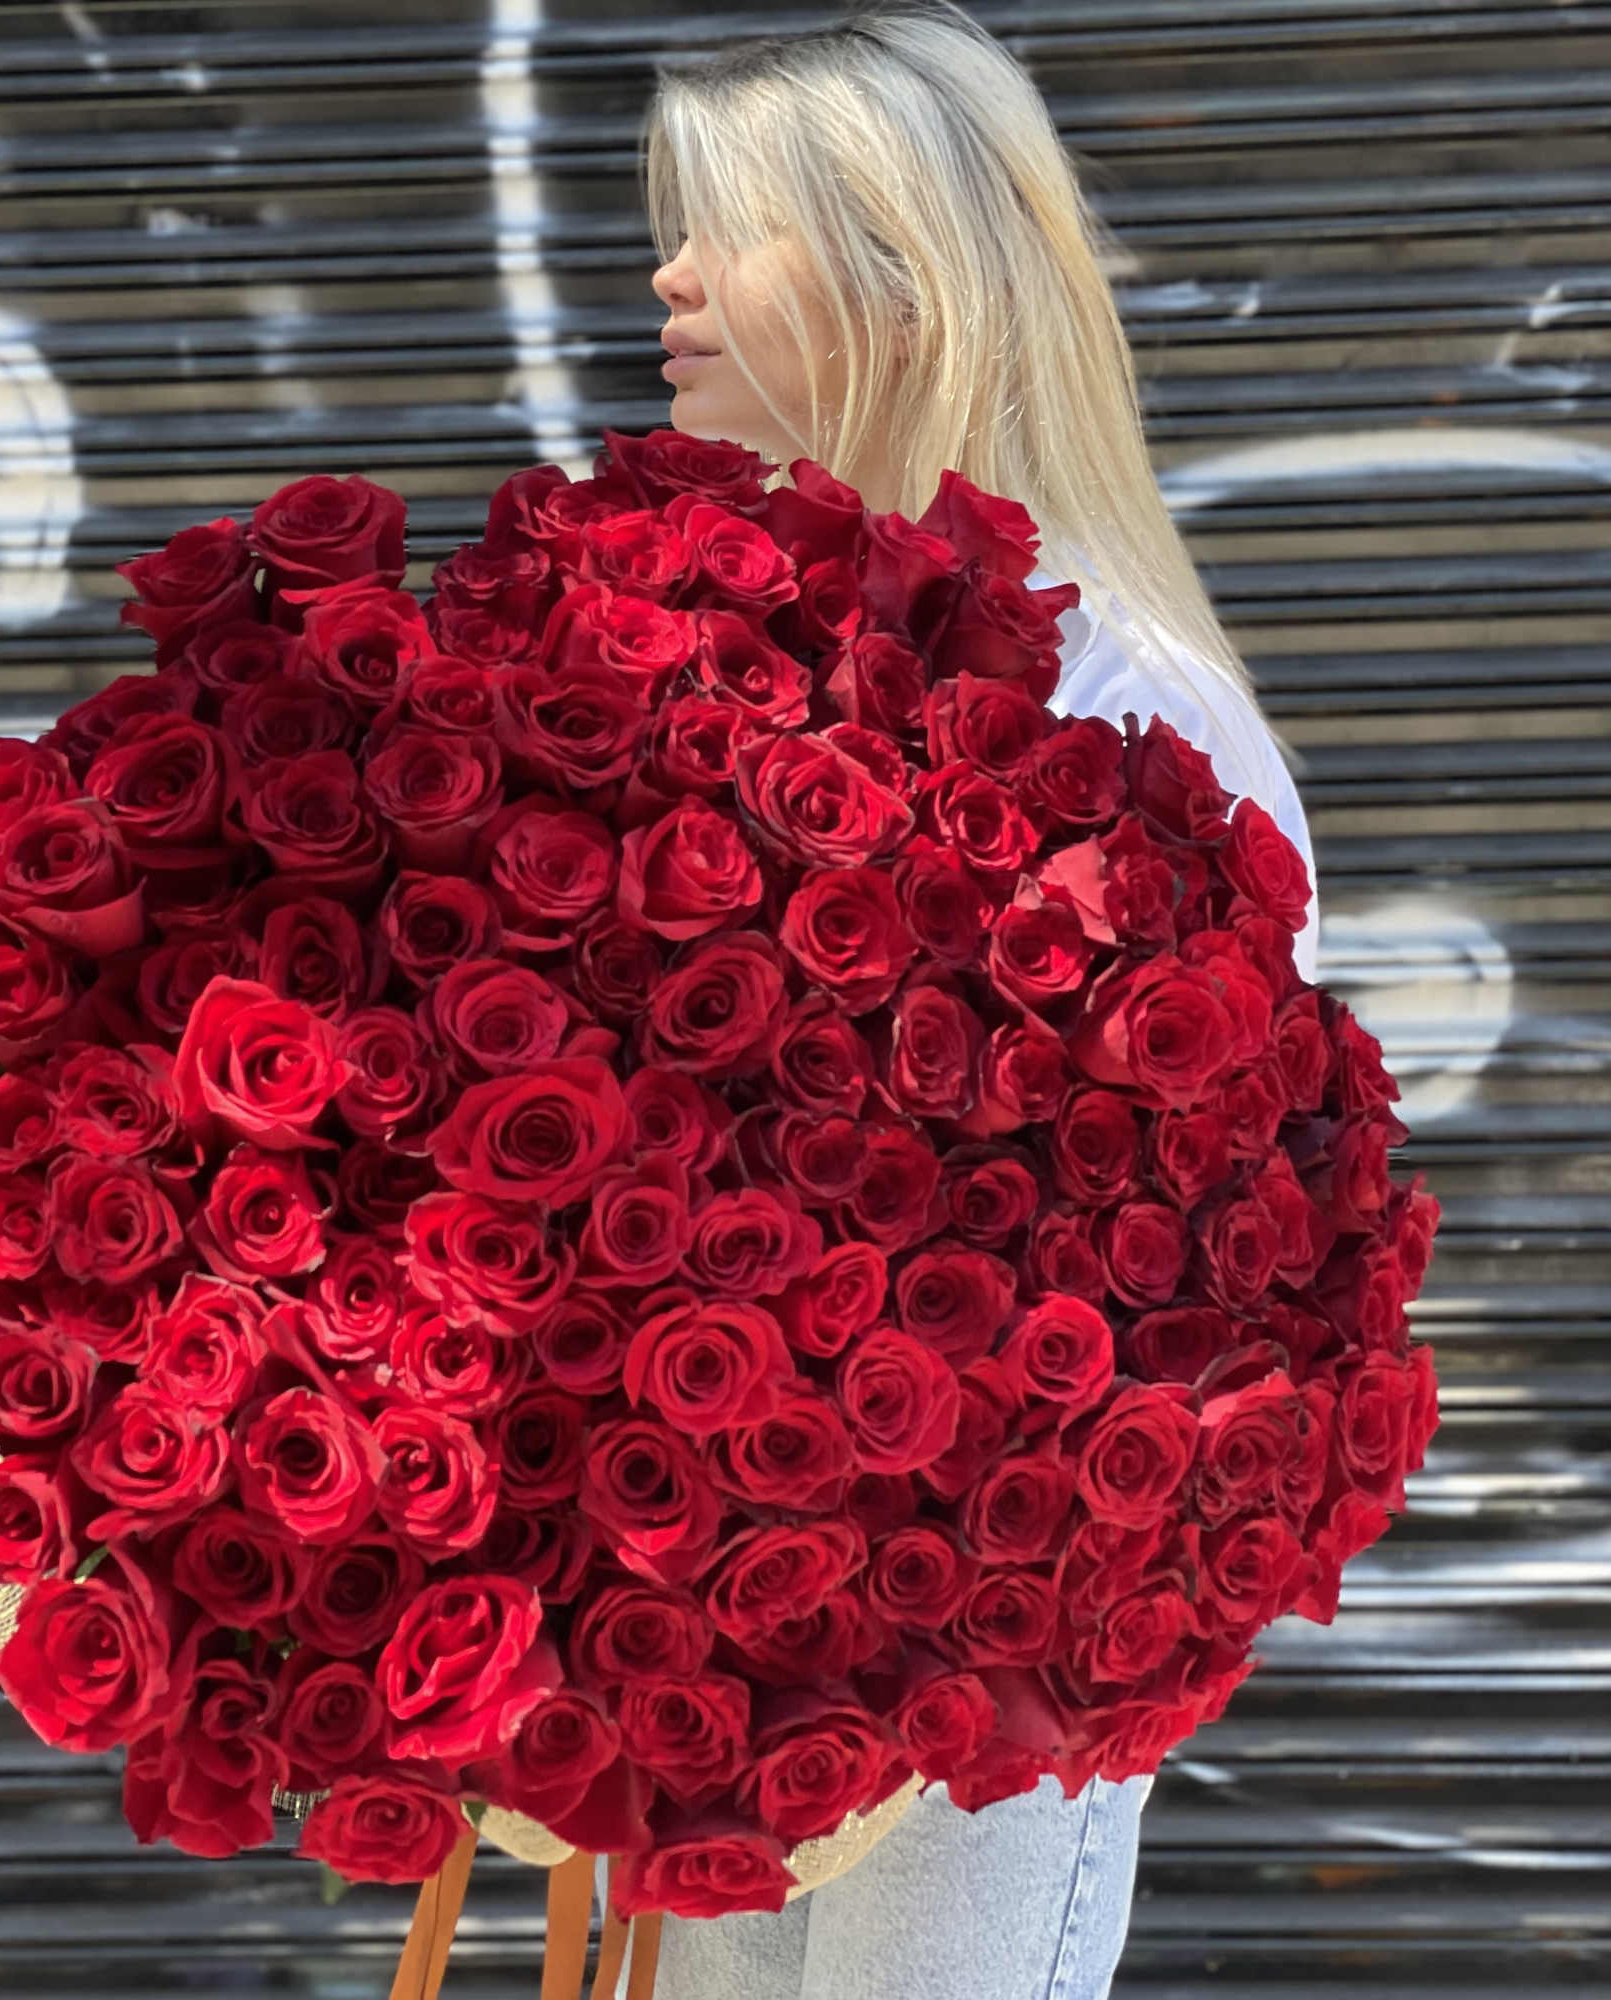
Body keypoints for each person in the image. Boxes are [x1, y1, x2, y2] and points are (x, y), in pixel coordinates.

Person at [598, 3, 1324, 1996]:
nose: (664, 274)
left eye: (722, 228)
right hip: (738, 1605)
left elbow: (1216, 1245)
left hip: (987, 1633)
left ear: (901, 286)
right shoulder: (764, 654)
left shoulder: (1127, 707)